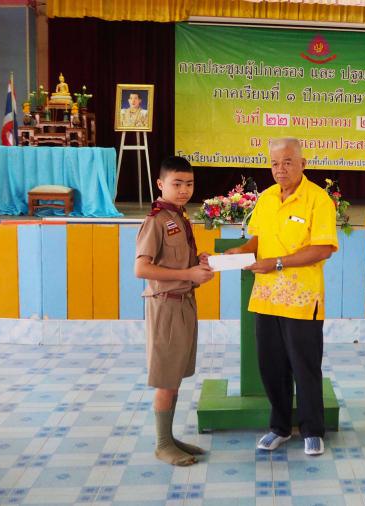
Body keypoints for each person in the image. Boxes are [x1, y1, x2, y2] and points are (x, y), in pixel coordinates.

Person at [226, 138, 338, 456]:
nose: (280, 169)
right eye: (275, 163)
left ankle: (312, 430)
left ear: (303, 163)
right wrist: (240, 251)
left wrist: (276, 263)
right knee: (271, 365)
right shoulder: (266, 198)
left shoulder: (318, 200)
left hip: (302, 300)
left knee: (305, 366)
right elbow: (257, 240)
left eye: (288, 162)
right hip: (266, 298)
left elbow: (323, 249)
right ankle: (279, 427)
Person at [135, 156, 214, 466]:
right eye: (177, 184)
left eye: (189, 184)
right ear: (160, 184)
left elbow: (176, 259)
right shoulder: (156, 221)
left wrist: (197, 262)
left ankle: (169, 437)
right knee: (166, 378)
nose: (184, 190)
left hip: (183, 303)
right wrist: (187, 274)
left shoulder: (178, 216)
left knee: (175, 374)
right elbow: (141, 268)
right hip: (166, 306)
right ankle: (162, 444)